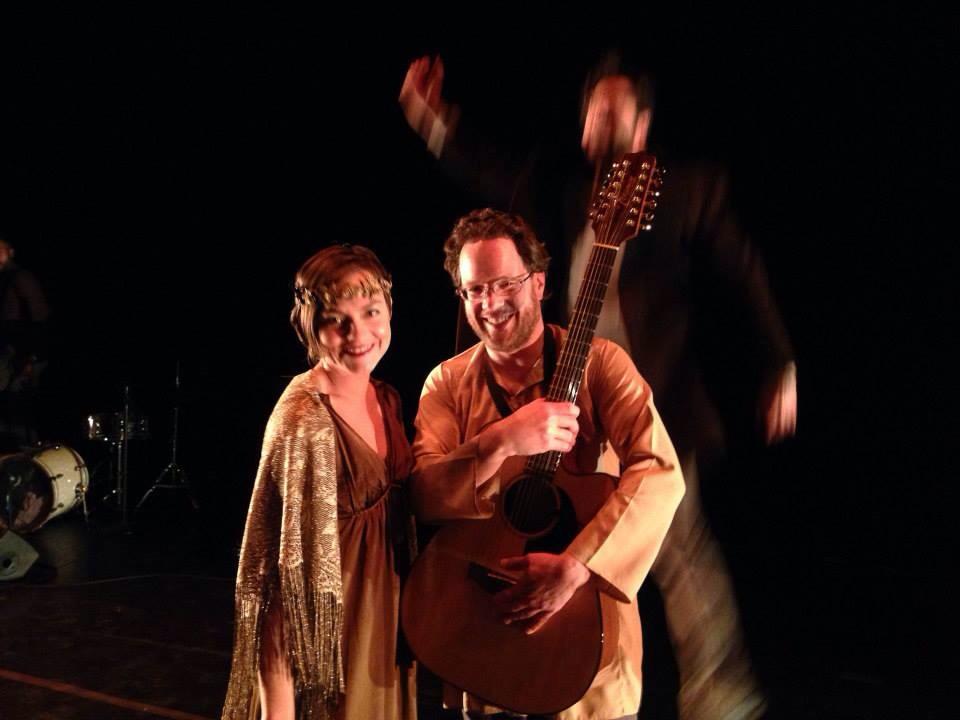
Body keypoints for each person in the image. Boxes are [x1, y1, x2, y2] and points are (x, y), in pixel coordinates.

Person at [400, 52, 796, 719]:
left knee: (675, 549)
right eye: (593, 110)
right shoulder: (559, 185)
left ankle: (712, 694)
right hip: (559, 386)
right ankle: (514, 667)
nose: (600, 122)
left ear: (642, 123)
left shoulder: (688, 188)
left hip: (644, 394)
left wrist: (778, 363)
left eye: (614, 111)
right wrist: (434, 121)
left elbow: (743, 270)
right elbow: (491, 174)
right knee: (525, 526)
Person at [410, 208, 685, 719]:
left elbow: (660, 471)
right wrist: (502, 440)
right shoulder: (445, 384)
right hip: (482, 638)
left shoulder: (601, 364)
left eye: (505, 283)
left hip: (586, 655)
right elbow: (425, 495)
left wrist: (576, 567)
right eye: (475, 290)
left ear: (538, 283)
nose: (490, 303)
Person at [221, 244, 416, 720]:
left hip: (382, 635)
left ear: (389, 309)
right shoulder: (305, 419)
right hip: (329, 662)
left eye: (371, 312)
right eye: (336, 320)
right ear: (310, 327)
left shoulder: (387, 399)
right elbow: (278, 587)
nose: (359, 333)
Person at [0, 234, 50, 449]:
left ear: (11, 251)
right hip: (8, 354)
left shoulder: (20, 277)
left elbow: (40, 318)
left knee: (19, 414)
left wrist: (31, 358)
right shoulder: (4, 281)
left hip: (20, 356)